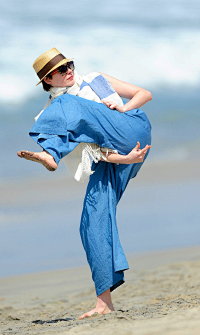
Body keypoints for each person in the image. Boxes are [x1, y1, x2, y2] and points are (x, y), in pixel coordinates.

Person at [17, 48, 152, 319]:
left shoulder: (93, 81)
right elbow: (96, 151)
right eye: (61, 70)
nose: (69, 71)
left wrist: (123, 107)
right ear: (47, 80)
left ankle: (52, 153)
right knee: (92, 221)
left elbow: (144, 94)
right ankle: (104, 302)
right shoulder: (54, 114)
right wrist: (126, 159)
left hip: (130, 124)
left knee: (64, 106)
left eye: (70, 65)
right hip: (117, 156)